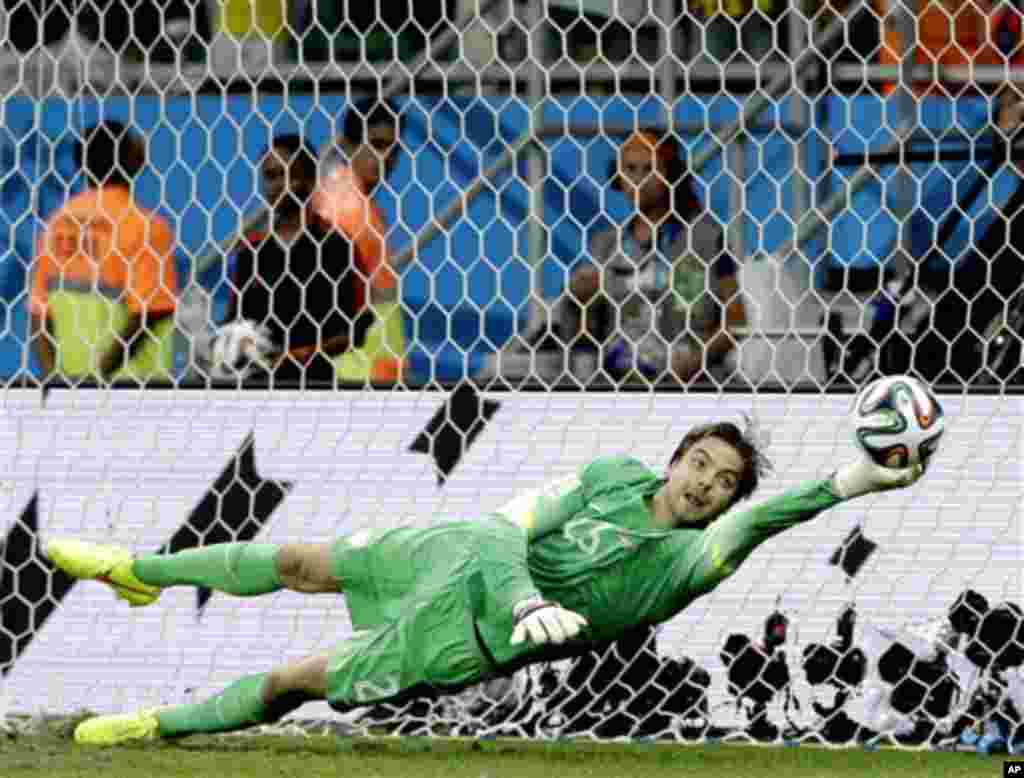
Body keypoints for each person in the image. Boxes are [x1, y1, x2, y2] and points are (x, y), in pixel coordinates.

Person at [45, 416, 927, 745]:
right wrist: (527, 598)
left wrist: (851, 481)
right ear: (673, 458)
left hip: (456, 637)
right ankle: (138, 571)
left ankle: (157, 728)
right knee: (294, 561)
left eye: (723, 481)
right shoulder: (613, 473)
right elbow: (508, 526)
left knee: (294, 681)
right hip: (458, 554)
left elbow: (762, 524)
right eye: (699, 462)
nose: (705, 484)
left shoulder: (688, 567)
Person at [511, 127, 745, 385]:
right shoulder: (606, 245)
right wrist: (580, 302)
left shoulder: (706, 238)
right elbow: (586, 335)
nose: (639, 180)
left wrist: (696, 360)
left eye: (650, 169)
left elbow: (735, 320)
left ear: (672, 174)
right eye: (630, 169)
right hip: (620, 386)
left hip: (689, 385)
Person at [28, 120, 178, 383]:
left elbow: (39, 314)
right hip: (134, 391)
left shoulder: (57, 223)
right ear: (135, 159)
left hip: (69, 391)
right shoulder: (145, 227)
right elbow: (150, 312)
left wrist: (53, 378)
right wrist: (99, 378)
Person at [221, 133, 373, 384]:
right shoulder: (252, 251)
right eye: (270, 176)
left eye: (287, 174)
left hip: (316, 386)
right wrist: (244, 345)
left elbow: (356, 328)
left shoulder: (336, 246)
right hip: (259, 386)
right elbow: (234, 320)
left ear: (310, 180)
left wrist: (302, 355)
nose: (277, 185)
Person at [312, 97, 406, 384]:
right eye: (377, 145)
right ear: (347, 147)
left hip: (367, 371)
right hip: (353, 374)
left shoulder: (355, 202)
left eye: (394, 147)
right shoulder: (345, 207)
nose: (387, 156)